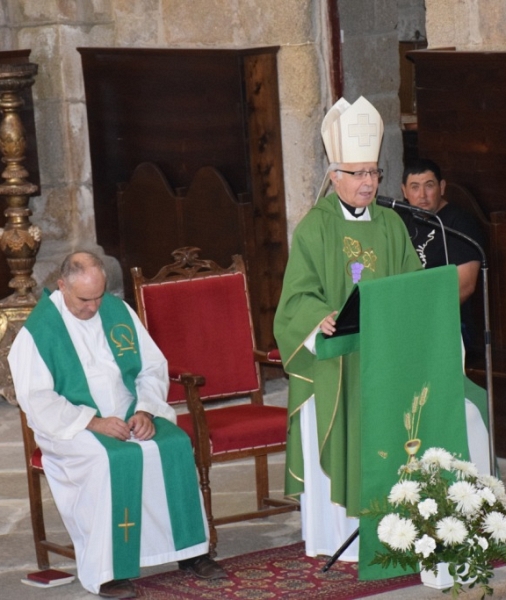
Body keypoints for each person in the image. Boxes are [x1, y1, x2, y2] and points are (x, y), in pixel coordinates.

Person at [8, 251, 226, 599]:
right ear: (62, 285)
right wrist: (92, 422)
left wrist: (145, 411)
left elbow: (152, 368)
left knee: (173, 445)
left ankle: (191, 553)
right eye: (85, 299)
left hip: (129, 414)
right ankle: (110, 570)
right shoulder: (38, 332)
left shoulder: (117, 312)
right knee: (109, 460)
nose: (94, 308)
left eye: (99, 296)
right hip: (72, 427)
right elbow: (37, 399)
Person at [274, 96, 423, 562]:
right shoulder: (314, 229)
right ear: (334, 176)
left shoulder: (393, 224)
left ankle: (399, 524)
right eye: (357, 173)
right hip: (338, 357)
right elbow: (295, 297)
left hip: (386, 353)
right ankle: (336, 532)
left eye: (374, 173)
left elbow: (411, 285)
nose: (368, 183)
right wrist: (316, 314)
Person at [400, 158, 486, 352]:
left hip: (449, 324)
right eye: (414, 187)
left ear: (442, 186)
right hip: (407, 320)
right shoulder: (402, 221)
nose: (422, 195)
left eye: (429, 186)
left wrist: (421, 320)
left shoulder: (460, 223)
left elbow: (465, 285)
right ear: (404, 191)